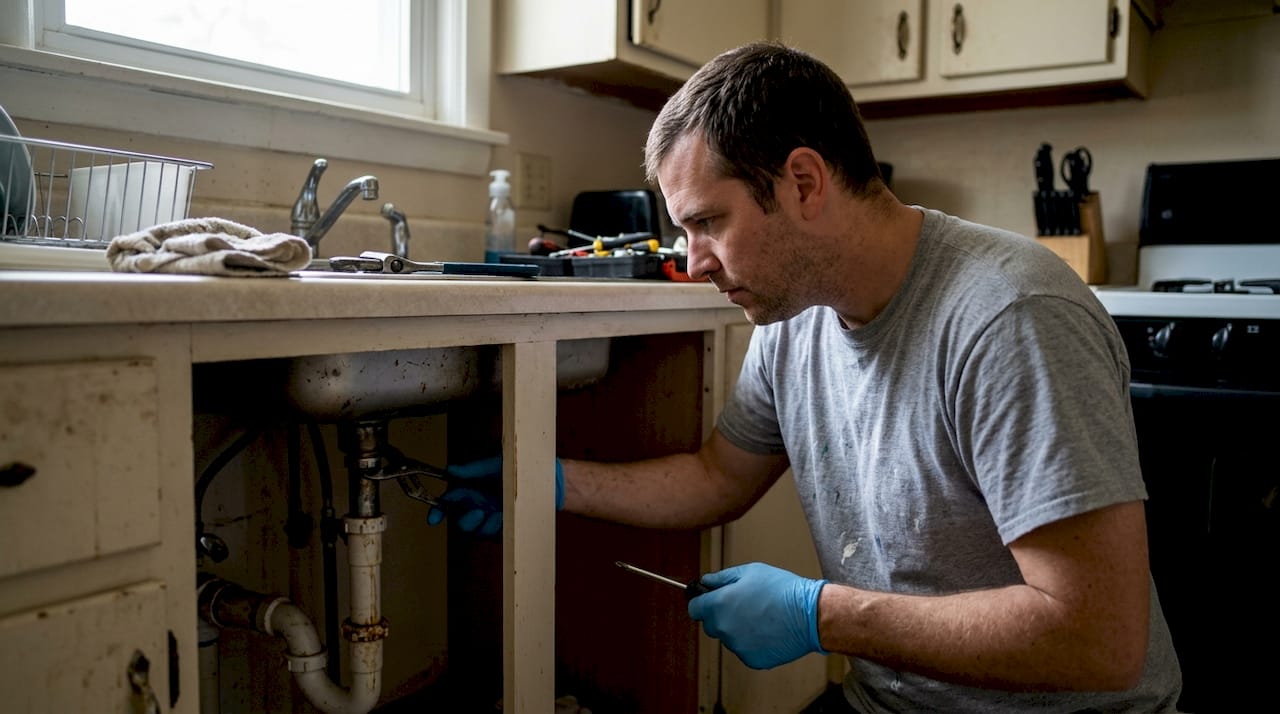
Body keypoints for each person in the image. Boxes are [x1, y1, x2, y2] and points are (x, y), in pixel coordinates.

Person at [432, 42, 1183, 712]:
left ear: (802, 182)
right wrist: (548, 482)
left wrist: (818, 616)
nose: (694, 263)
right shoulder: (796, 317)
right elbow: (717, 476)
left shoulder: (1011, 317)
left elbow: (1098, 640)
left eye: (708, 223)